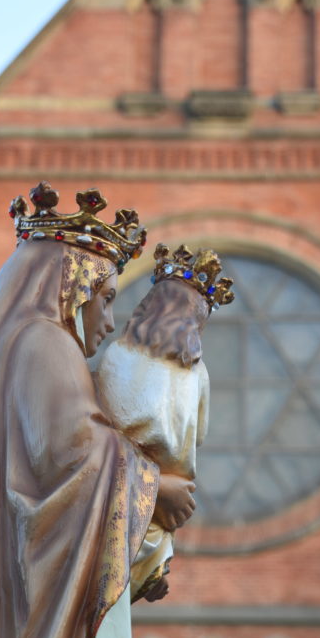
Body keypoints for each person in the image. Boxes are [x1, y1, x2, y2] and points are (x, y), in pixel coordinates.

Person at [0, 183, 196, 638]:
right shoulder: (45, 342)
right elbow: (70, 457)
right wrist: (155, 490)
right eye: (107, 297)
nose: (110, 320)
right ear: (73, 283)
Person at [95, 245, 234, 604]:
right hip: (157, 496)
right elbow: (200, 434)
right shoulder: (197, 372)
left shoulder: (115, 353)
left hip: (120, 489)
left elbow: (102, 414)